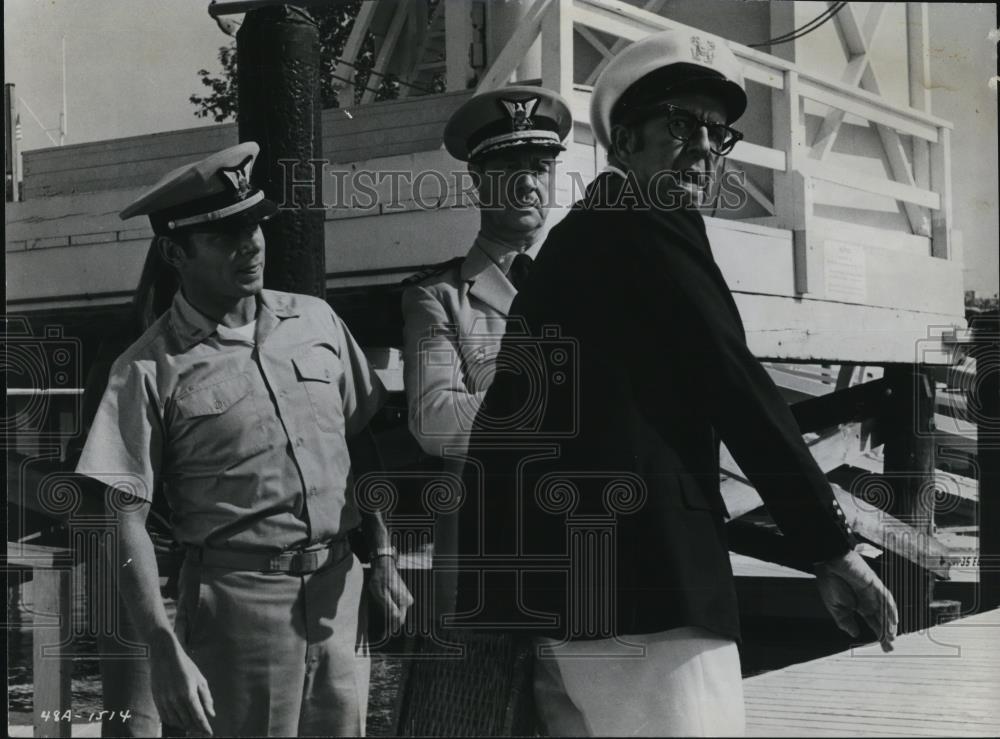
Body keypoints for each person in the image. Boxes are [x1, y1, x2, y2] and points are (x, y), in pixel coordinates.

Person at [453, 30, 899, 736]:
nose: (702, 147)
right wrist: (830, 546)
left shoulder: (581, 237)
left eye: (718, 135)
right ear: (624, 140)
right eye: (681, 124)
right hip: (648, 593)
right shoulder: (645, 216)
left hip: (569, 604)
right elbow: (733, 379)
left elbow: (500, 432)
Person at [76, 142, 412, 737]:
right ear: (176, 251)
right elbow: (121, 519)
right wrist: (159, 644)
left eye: (255, 224)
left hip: (339, 591)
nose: (251, 243)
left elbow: (361, 442)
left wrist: (383, 555)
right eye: (226, 234)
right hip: (235, 608)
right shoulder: (147, 368)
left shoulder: (318, 322)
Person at [401, 85, 571, 626]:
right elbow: (433, 421)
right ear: (478, 181)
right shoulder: (439, 298)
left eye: (539, 165)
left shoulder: (591, 284)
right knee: (490, 706)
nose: (527, 181)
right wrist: (568, 405)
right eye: (508, 167)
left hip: (592, 537)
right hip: (492, 544)